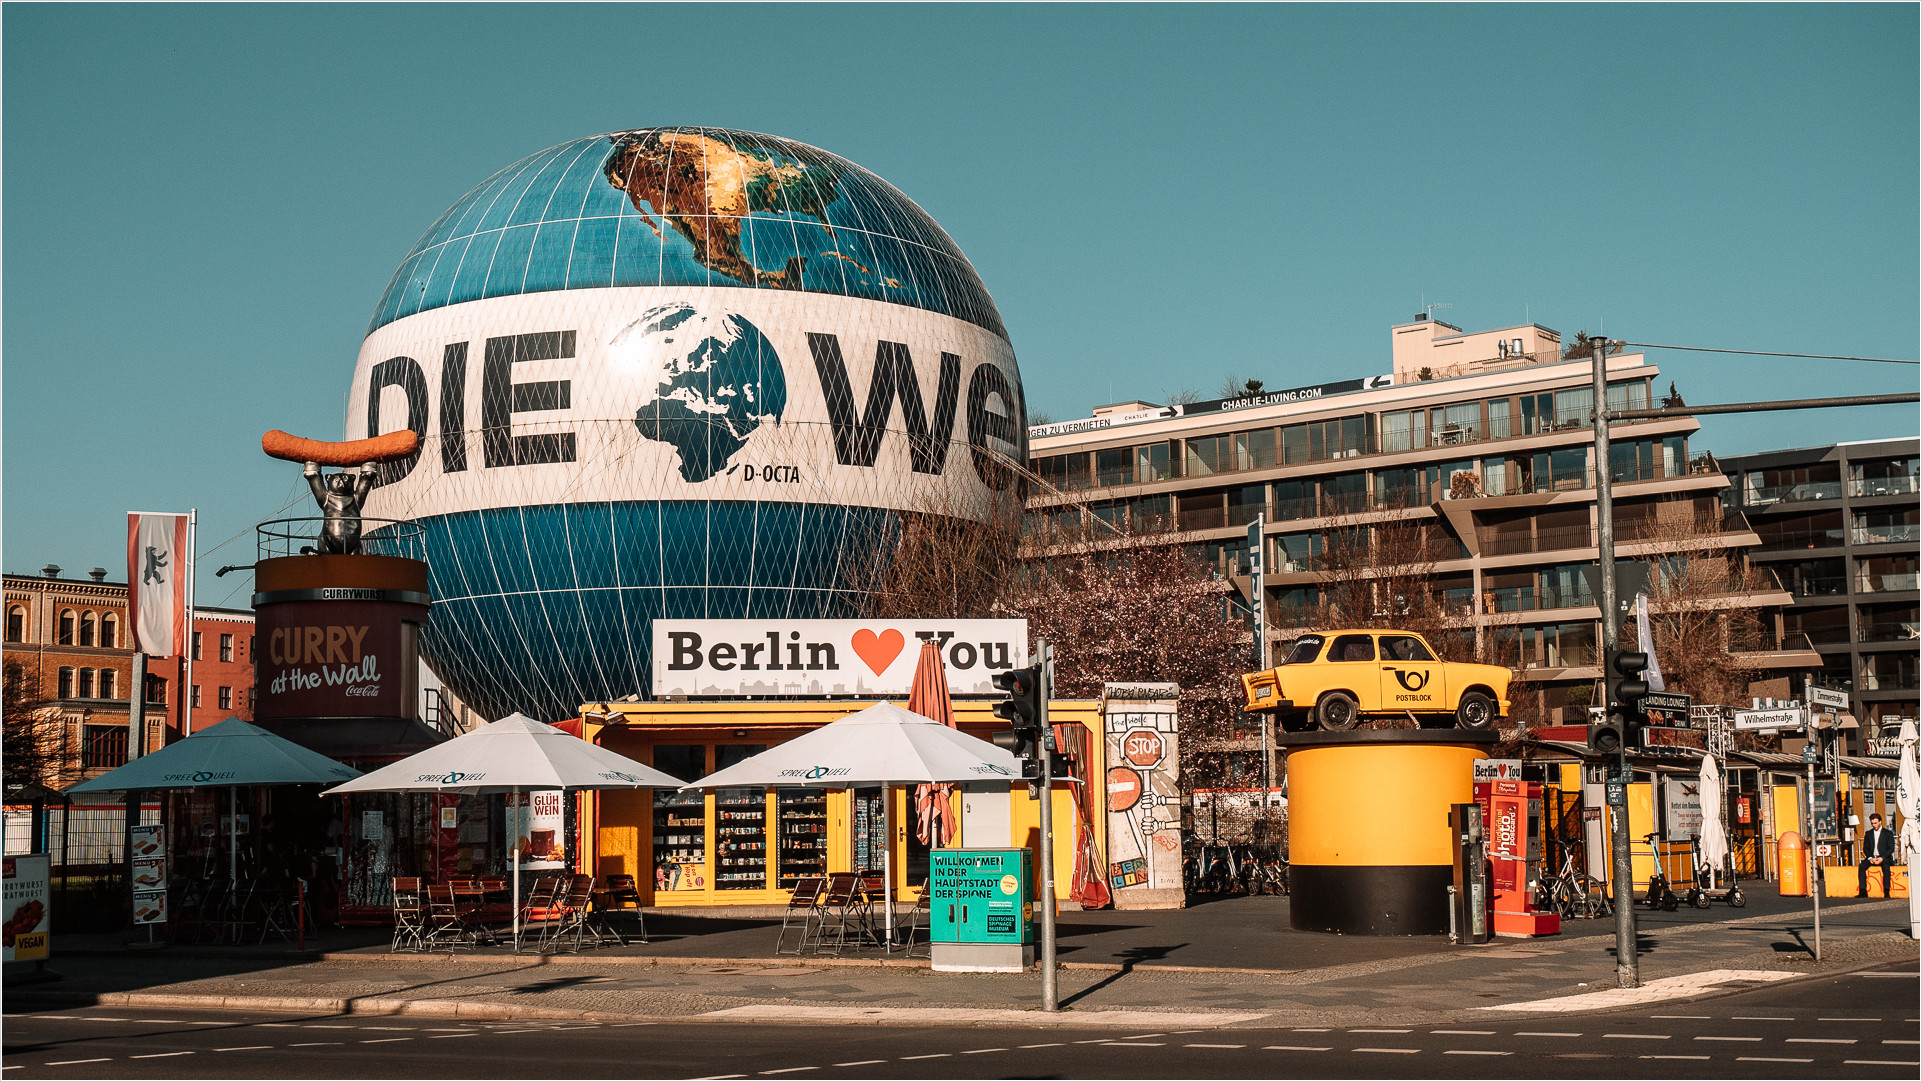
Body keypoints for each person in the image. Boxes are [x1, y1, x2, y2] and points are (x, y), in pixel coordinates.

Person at [1859, 813, 1897, 897]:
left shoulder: (1888, 833)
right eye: (1872, 823)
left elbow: (1891, 848)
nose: (1874, 825)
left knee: (1886, 867)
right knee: (1861, 866)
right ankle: (1863, 891)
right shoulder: (1868, 833)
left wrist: (1882, 858)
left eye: (1875, 823)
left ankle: (1886, 891)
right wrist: (1870, 858)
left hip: (1884, 857)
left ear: (1880, 822)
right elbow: (1866, 848)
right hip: (1872, 857)